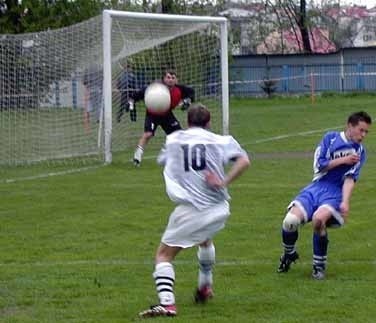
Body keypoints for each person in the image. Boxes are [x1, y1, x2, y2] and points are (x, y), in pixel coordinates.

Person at [138, 103, 250, 318]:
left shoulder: (174, 140)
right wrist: (223, 181)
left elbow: (164, 162)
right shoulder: (221, 140)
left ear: (188, 122)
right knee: (204, 240)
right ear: (208, 123)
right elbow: (244, 161)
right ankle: (204, 286)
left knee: (163, 255)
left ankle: (167, 304)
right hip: (219, 208)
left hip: (192, 209)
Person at [277, 111, 372, 280]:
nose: (363, 135)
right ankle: (289, 254)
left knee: (319, 220)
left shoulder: (360, 151)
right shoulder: (330, 138)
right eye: (361, 130)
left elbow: (350, 179)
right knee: (289, 222)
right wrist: (342, 160)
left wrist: (345, 201)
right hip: (316, 188)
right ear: (350, 126)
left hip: (335, 192)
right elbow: (319, 165)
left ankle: (318, 266)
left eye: (366, 132)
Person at [128, 70, 195, 166]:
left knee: (179, 135)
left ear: (176, 80)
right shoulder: (155, 89)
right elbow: (139, 94)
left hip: (167, 114)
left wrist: (187, 100)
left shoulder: (180, 90)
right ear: (163, 79)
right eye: (168, 77)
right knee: (148, 134)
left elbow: (191, 93)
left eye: (173, 78)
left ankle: (184, 158)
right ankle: (137, 157)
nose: (170, 80)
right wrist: (132, 101)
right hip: (152, 114)